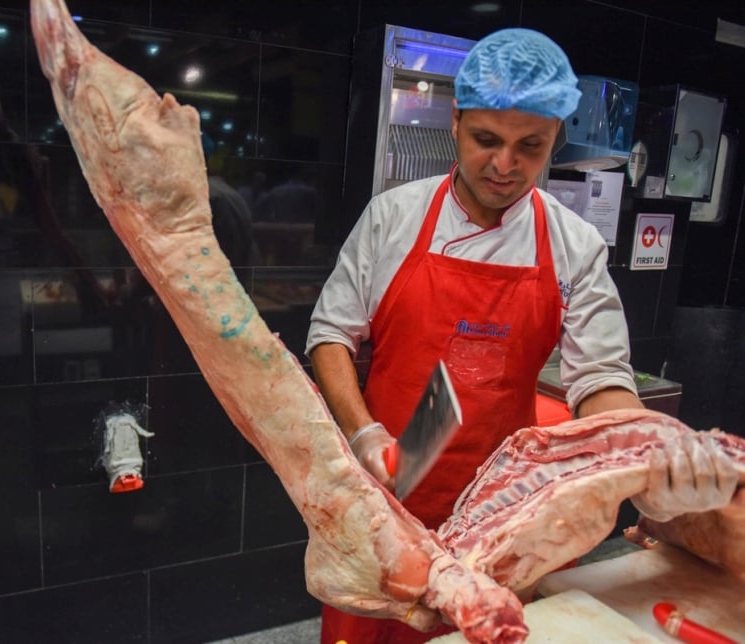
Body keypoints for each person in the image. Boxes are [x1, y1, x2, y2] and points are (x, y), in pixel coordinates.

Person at [305, 27, 738, 643]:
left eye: (530, 146)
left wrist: (648, 448)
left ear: (555, 135)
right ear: (456, 121)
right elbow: (330, 334)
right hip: (384, 502)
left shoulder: (574, 245)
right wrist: (363, 433)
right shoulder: (393, 217)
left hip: (505, 516)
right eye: (486, 140)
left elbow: (601, 379)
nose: (504, 165)